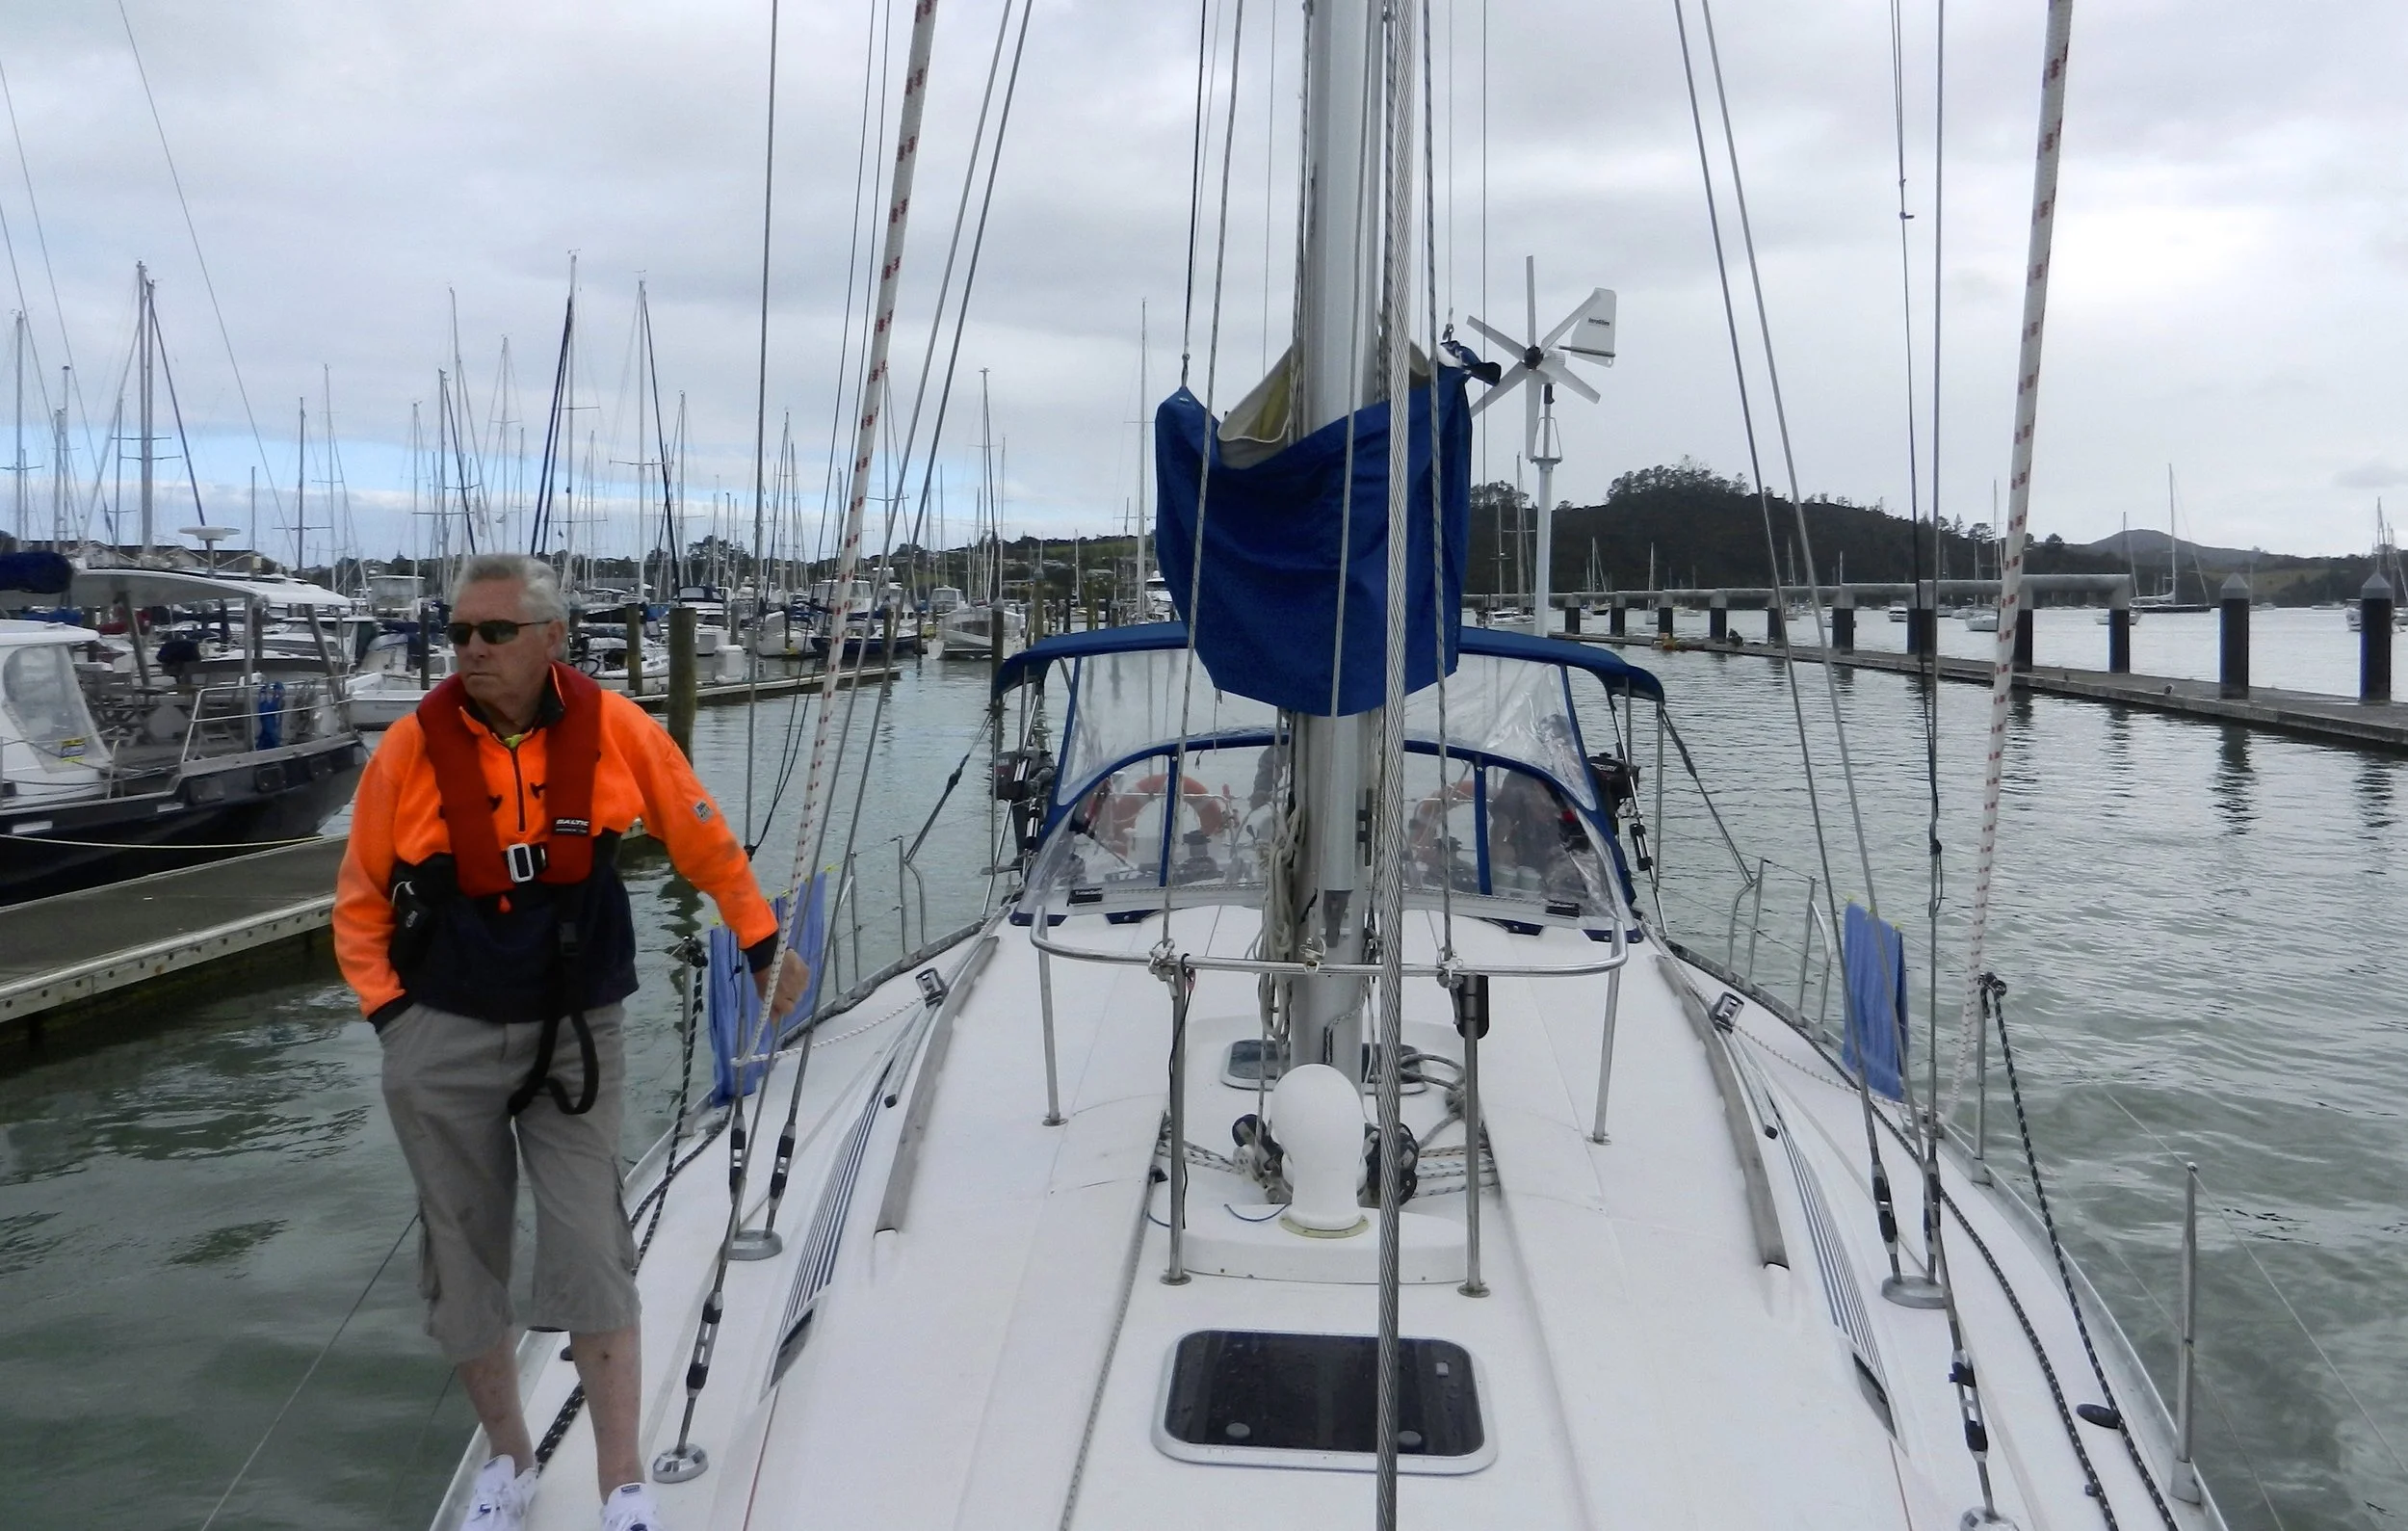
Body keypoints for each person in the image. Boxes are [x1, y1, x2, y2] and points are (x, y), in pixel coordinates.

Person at [333, 553, 805, 1531]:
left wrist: (761, 943)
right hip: (441, 1027)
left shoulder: (617, 727)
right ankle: (508, 1463)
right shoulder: (411, 748)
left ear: (552, 637)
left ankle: (622, 1483)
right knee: (462, 1251)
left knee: (591, 1244)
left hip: (576, 1028)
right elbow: (360, 895)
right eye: (459, 631)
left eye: (495, 631)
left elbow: (702, 834)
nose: (471, 648)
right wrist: (391, 1018)